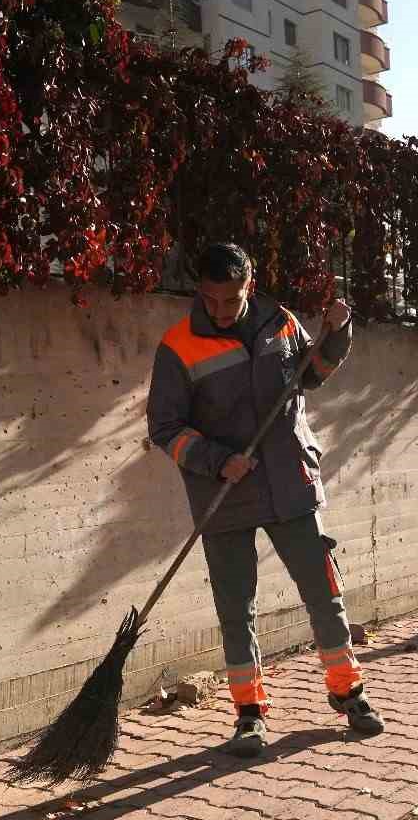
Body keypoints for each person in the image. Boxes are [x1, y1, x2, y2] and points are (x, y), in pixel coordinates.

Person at [147, 243, 385, 757]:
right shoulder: (179, 346)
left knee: (323, 592)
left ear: (248, 287)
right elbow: (165, 428)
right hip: (226, 493)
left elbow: (311, 376)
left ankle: (350, 693)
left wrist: (337, 333)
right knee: (237, 608)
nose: (219, 310)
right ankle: (249, 716)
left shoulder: (281, 324)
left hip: (288, 480)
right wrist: (216, 460)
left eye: (230, 299)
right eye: (210, 300)